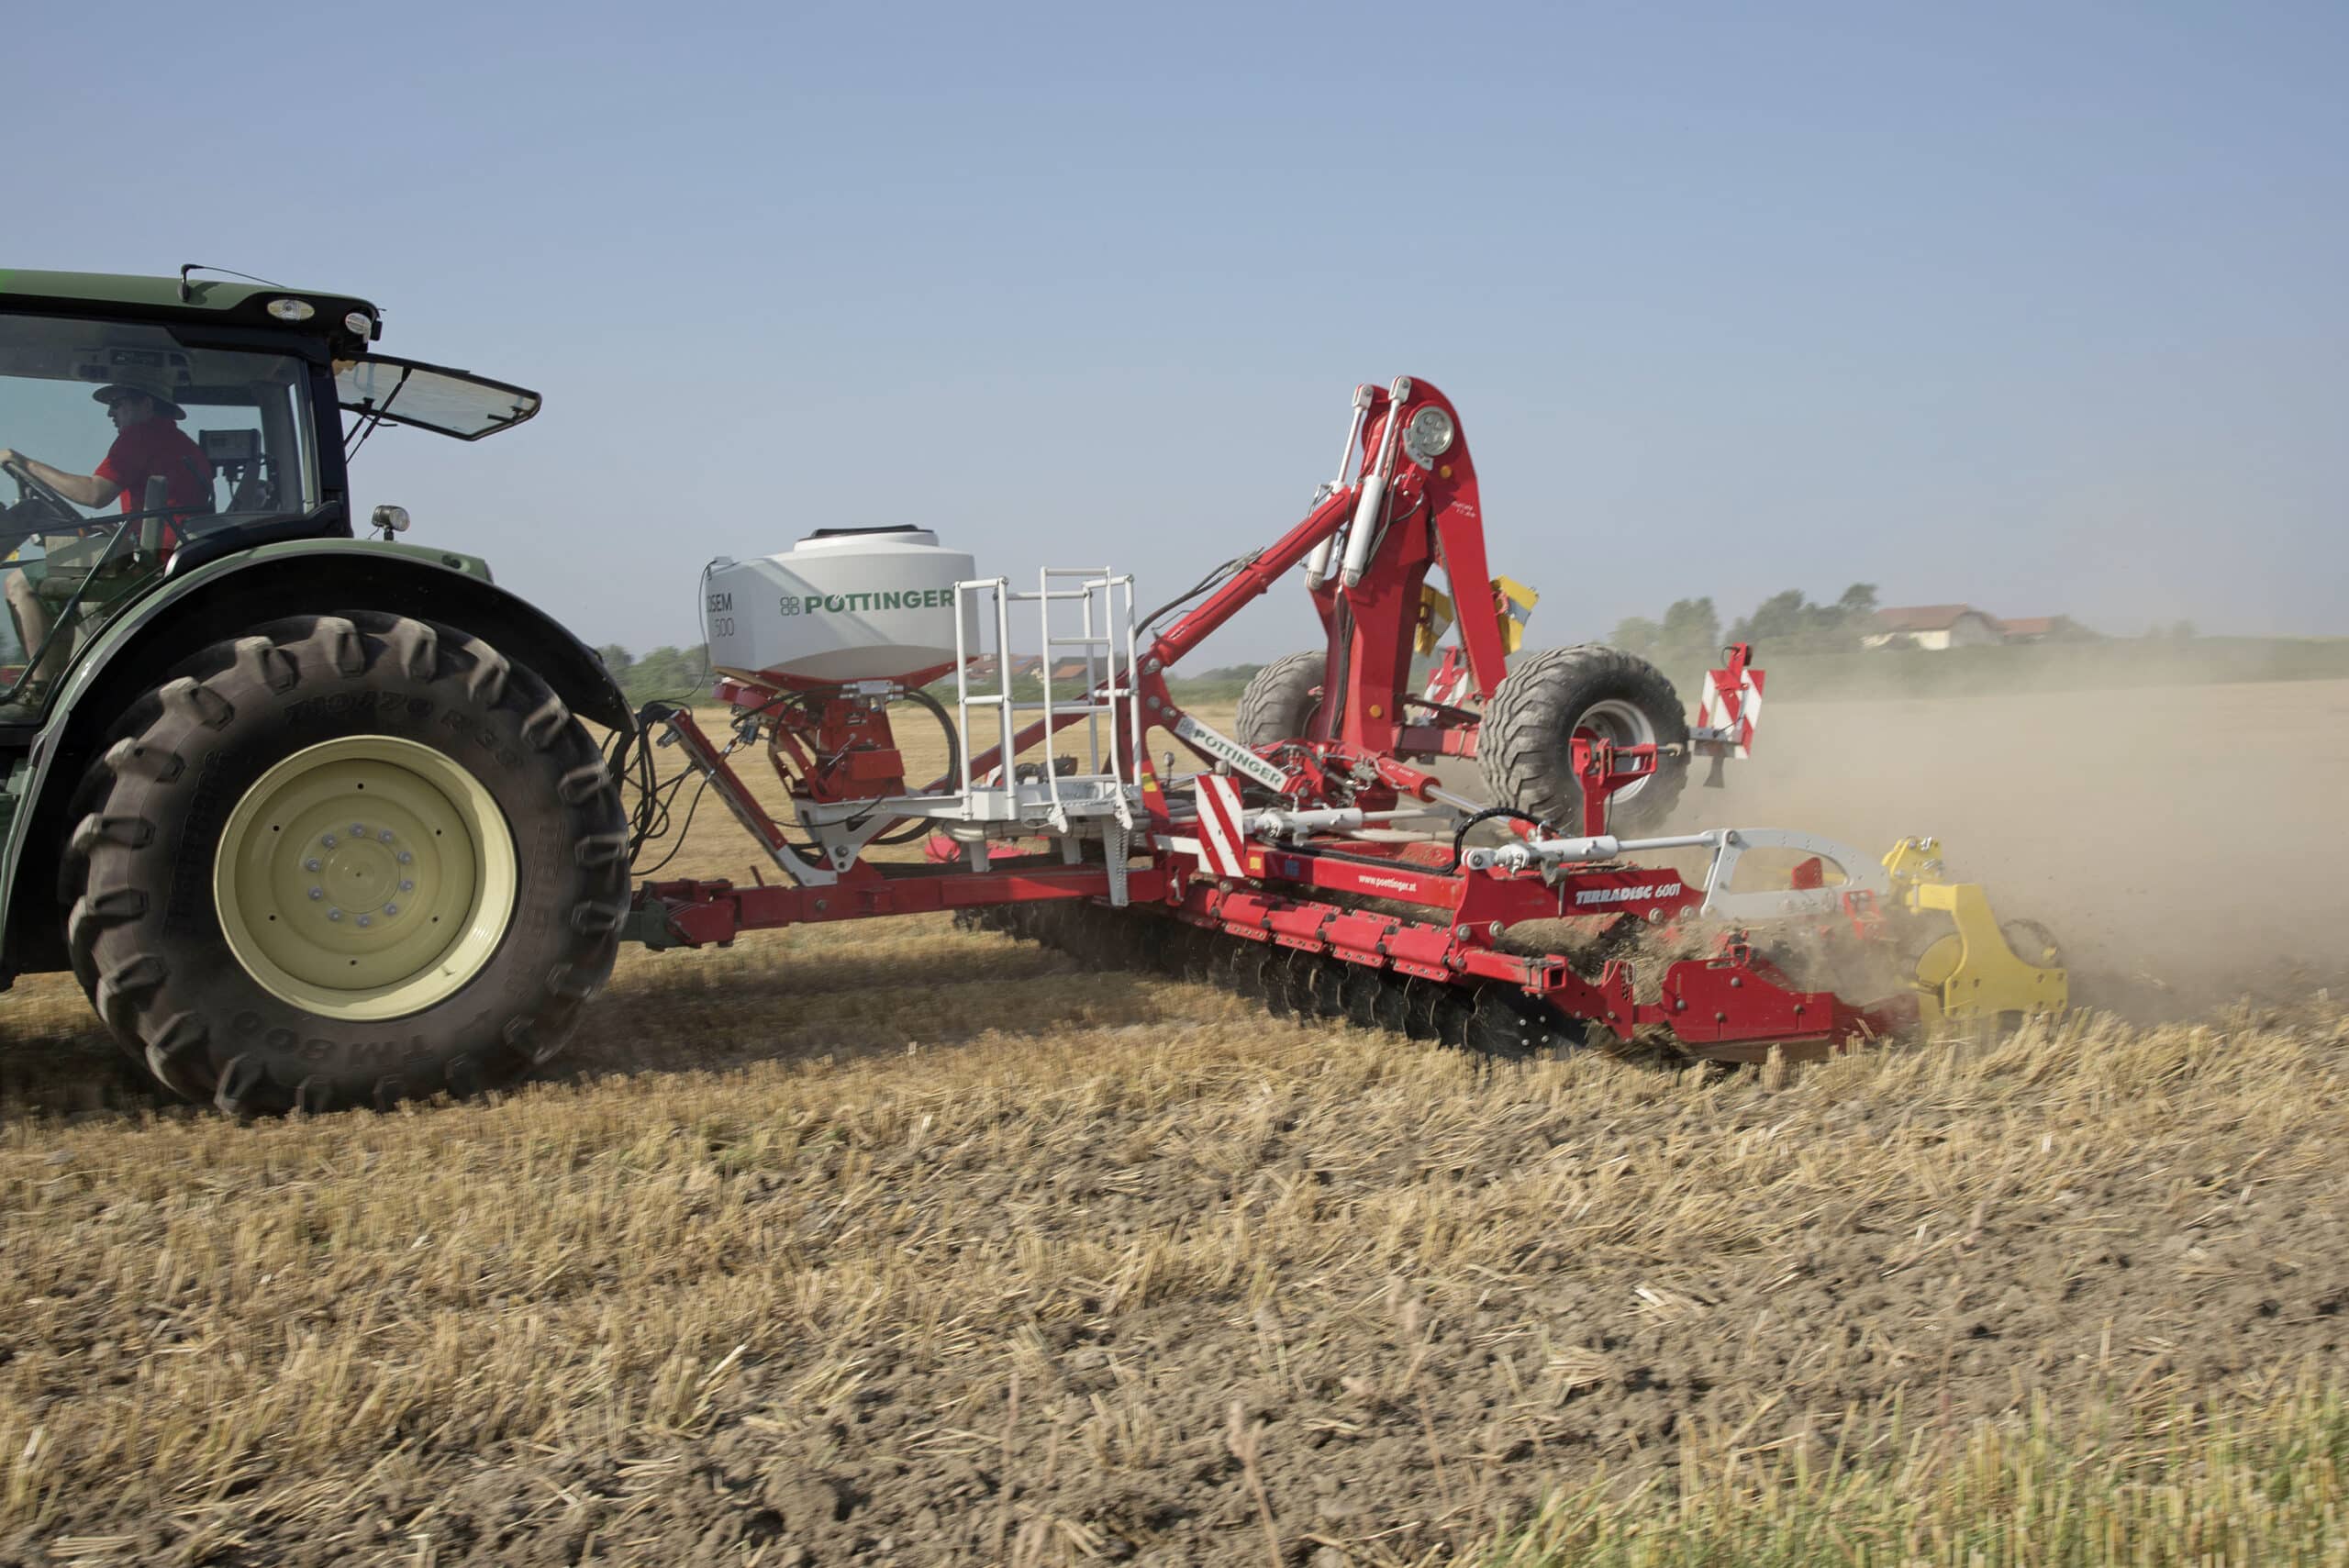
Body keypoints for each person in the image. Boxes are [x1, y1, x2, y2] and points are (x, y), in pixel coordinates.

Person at [1, 373, 213, 700]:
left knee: (20, 583)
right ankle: (52, 685)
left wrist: (25, 463)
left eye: (118, 404)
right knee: (54, 564)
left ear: (146, 404)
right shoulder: (182, 443)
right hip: (162, 553)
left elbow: (94, 494)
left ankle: (39, 693)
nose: (111, 413)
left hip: (147, 562)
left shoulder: (140, 435)